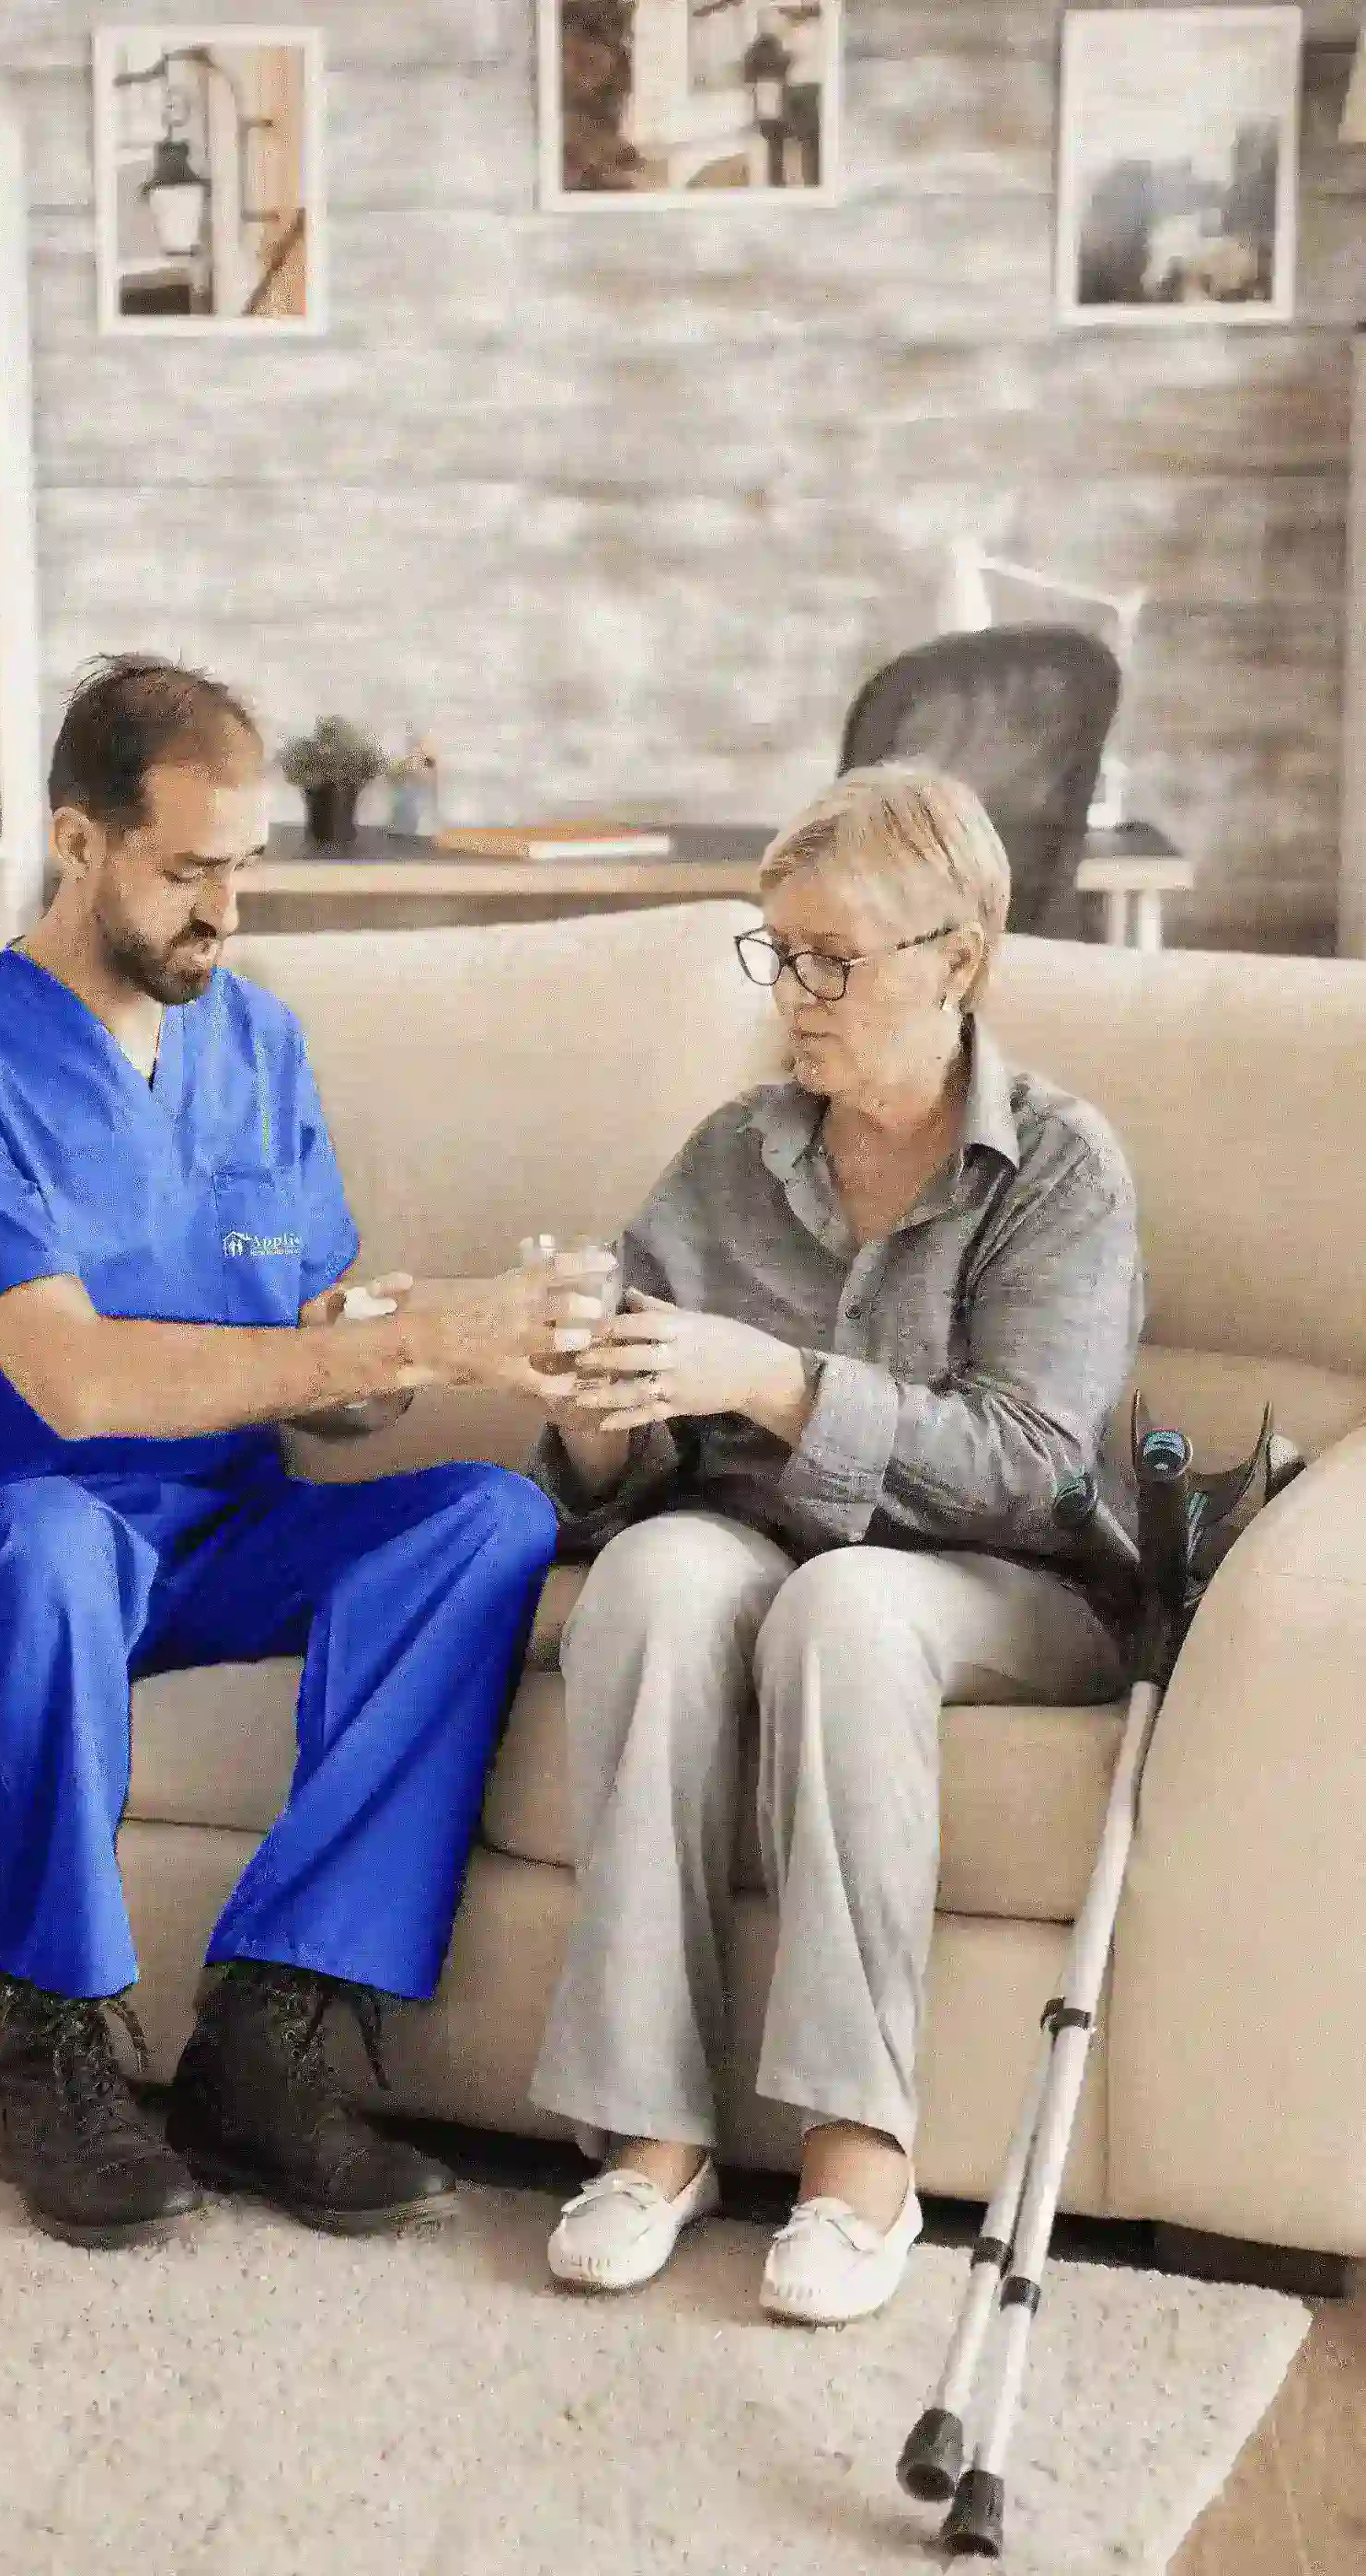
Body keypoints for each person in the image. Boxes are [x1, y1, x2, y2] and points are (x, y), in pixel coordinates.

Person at [0, 654, 607, 2252]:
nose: (225, 915)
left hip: (210, 1541)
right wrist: (386, 1344)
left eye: (243, 871)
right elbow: (77, 1381)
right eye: (189, 873)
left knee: (482, 1520)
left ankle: (270, 2033)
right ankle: (55, 2050)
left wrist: (412, 1351)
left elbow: (310, 1339)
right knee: (55, 1546)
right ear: (78, 842)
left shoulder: (256, 1047)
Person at [524, 765, 1143, 2326]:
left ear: (957, 958)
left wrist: (782, 1383)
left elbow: (1033, 1469)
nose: (793, 994)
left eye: (832, 958)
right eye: (775, 952)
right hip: (759, 1548)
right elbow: (625, 1465)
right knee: (657, 1579)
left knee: (849, 1611)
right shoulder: (737, 1150)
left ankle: (857, 2159)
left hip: (1015, 1586)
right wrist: (595, 1390)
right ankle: (652, 2140)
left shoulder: (1062, 1169)